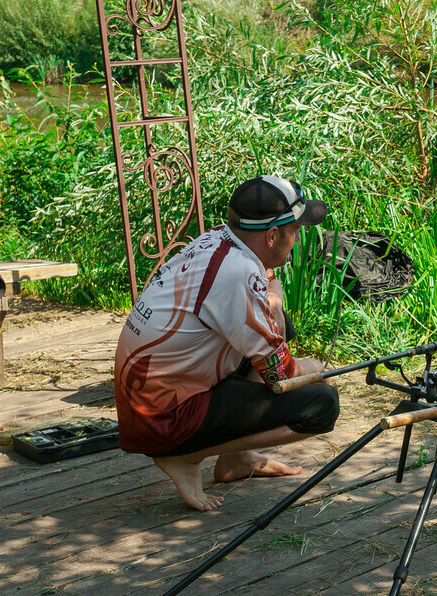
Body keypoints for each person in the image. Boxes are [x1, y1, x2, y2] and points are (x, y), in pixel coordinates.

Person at [114, 175, 340, 511]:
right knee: (322, 403)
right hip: (162, 419)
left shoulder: (222, 239)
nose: (297, 238)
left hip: (150, 401)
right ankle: (186, 456)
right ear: (273, 235)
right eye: (295, 231)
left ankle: (237, 460)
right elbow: (282, 376)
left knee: (274, 319)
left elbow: (267, 281)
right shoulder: (237, 274)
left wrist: (274, 301)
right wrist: (316, 369)